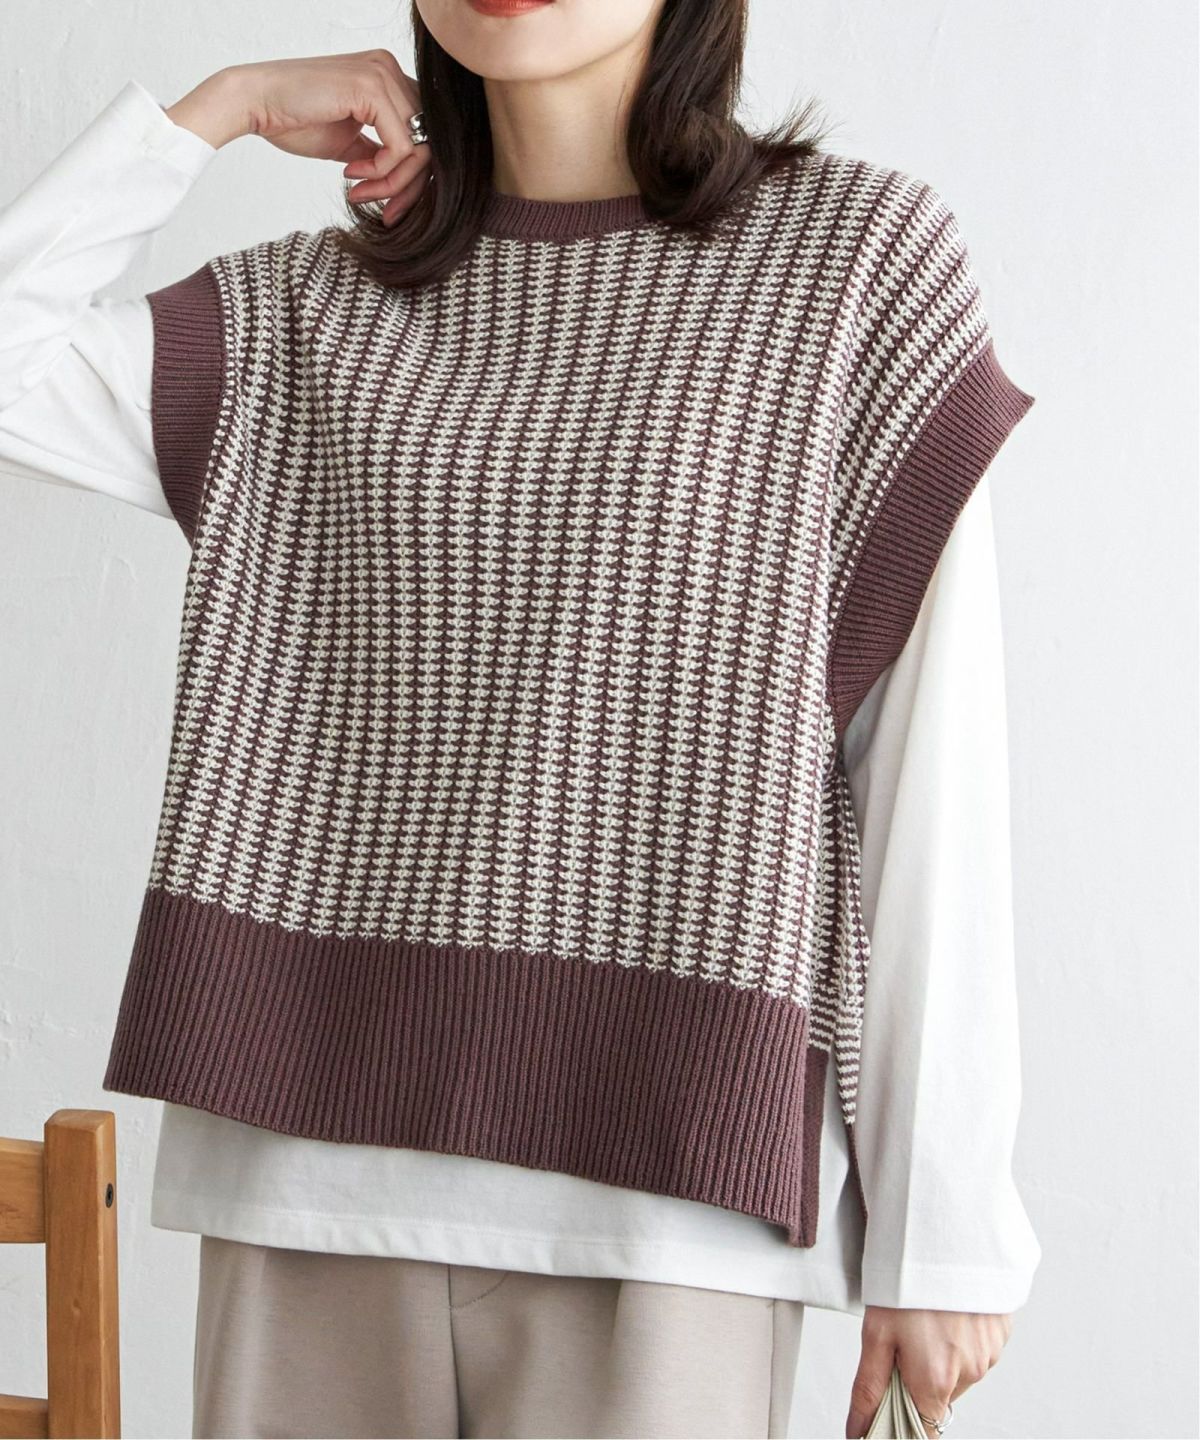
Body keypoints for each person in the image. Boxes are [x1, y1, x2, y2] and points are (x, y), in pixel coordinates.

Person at [0, 3, 1042, 1437]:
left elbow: (927, 769)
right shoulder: (302, 312)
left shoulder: (850, 266)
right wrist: (220, 107)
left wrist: (945, 1228)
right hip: (303, 1175)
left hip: (669, 1196)